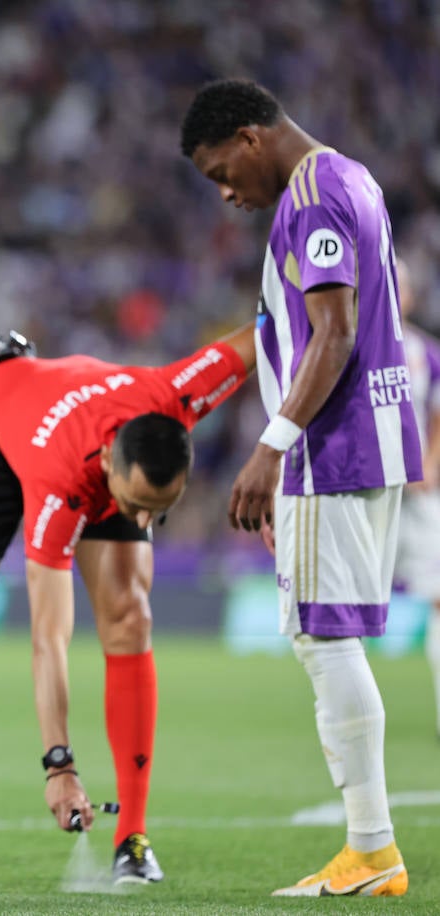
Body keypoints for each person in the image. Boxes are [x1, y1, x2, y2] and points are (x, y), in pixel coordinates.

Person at [0, 322, 257, 884]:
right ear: (111, 461)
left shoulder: (177, 394)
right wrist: (58, 764)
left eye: (158, 509)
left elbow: (273, 327)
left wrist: (281, 450)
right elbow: (49, 640)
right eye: (135, 504)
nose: (141, 522)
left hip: (83, 435)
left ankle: (132, 838)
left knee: (130, 620)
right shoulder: (60, 486)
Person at [182, 78, 420, 897]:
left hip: (331, 446)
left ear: (251, 137)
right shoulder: (350, 177)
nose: (225, 192)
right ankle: (371, 847)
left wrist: (271, 447)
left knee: (324, 639)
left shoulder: (314, 196)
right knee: (329, 634)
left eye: (222, 170)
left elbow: (336, 330)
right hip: (368, 441)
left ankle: (372, 848)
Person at [393, 259, 440, 733]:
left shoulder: (426, 352)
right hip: (370, 494)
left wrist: (428, 465)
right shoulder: (351, 346)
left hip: (421, 498)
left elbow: (438, 415)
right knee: (346, 604)